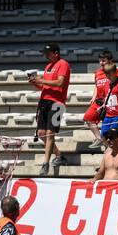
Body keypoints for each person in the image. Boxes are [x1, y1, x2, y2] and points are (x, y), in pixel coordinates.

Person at [29, 42, 70, 176]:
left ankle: (45, 163)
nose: (46, 56)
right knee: (41, 133)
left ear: (56, 53)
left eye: (48, 53)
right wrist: (36, 83)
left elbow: (60, 82)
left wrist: (41, 80)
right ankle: (59, 156)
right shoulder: (49, 66)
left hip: (57, 102)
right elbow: (46, 87)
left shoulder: (63, 64)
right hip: (45, 101)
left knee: (49, 133)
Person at [83, 50, 118, 150]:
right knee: (88, 117)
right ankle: (100, 140)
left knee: (113, 135)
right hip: (102, 101)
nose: (101, 63)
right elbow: (96, 86)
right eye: (100, 60)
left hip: (114, 104)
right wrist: (93, 97)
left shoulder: (116, 71)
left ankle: (117, 153)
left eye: (104, 61)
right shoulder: (98, 73)